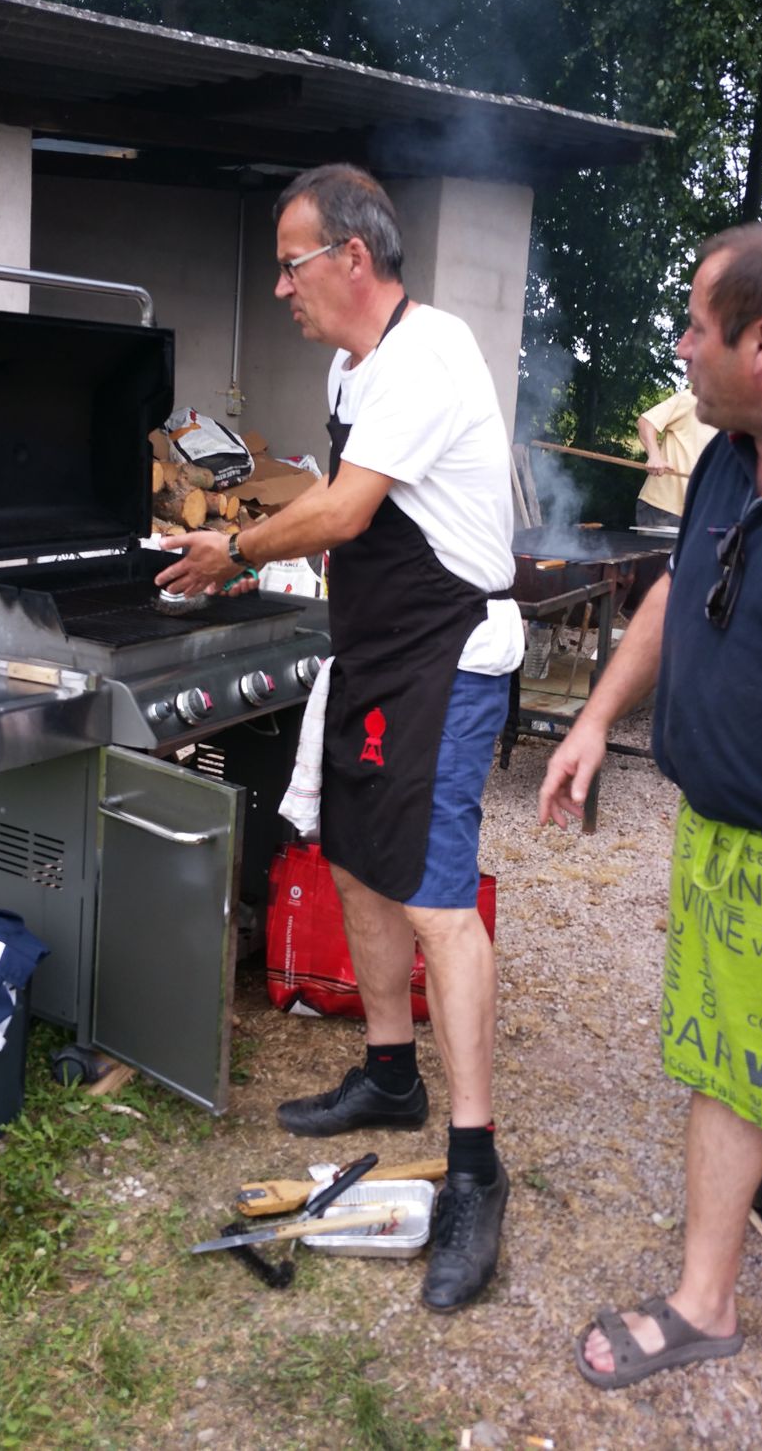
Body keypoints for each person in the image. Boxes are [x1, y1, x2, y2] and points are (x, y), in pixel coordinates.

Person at [156, 163, 524, 1312]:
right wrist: (259, 542)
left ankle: (476, 1166)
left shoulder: (428, 354)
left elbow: (350, 508)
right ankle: (387, 1075)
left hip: (450, 654)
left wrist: (234, 550)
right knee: (359, 862)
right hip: (375, 648)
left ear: (351, 258)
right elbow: (344, 509)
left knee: (435, 898)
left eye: (291, 264)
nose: (280, 287)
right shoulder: (348, 367)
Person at [539, 218, 762, 1389]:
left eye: (695, 327)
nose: (678, 348)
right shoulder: (724, 457)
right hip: (718, 834)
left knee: (747, 1072)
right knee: (737, 1068)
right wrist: (595, 717)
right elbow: (677, 585)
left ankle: (703, 1306)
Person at [635, 384, 715, 529]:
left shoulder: (739, 420)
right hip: (664, 509)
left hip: (702, 515)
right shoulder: (692, 399)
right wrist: (654, 456)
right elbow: (646, 423)